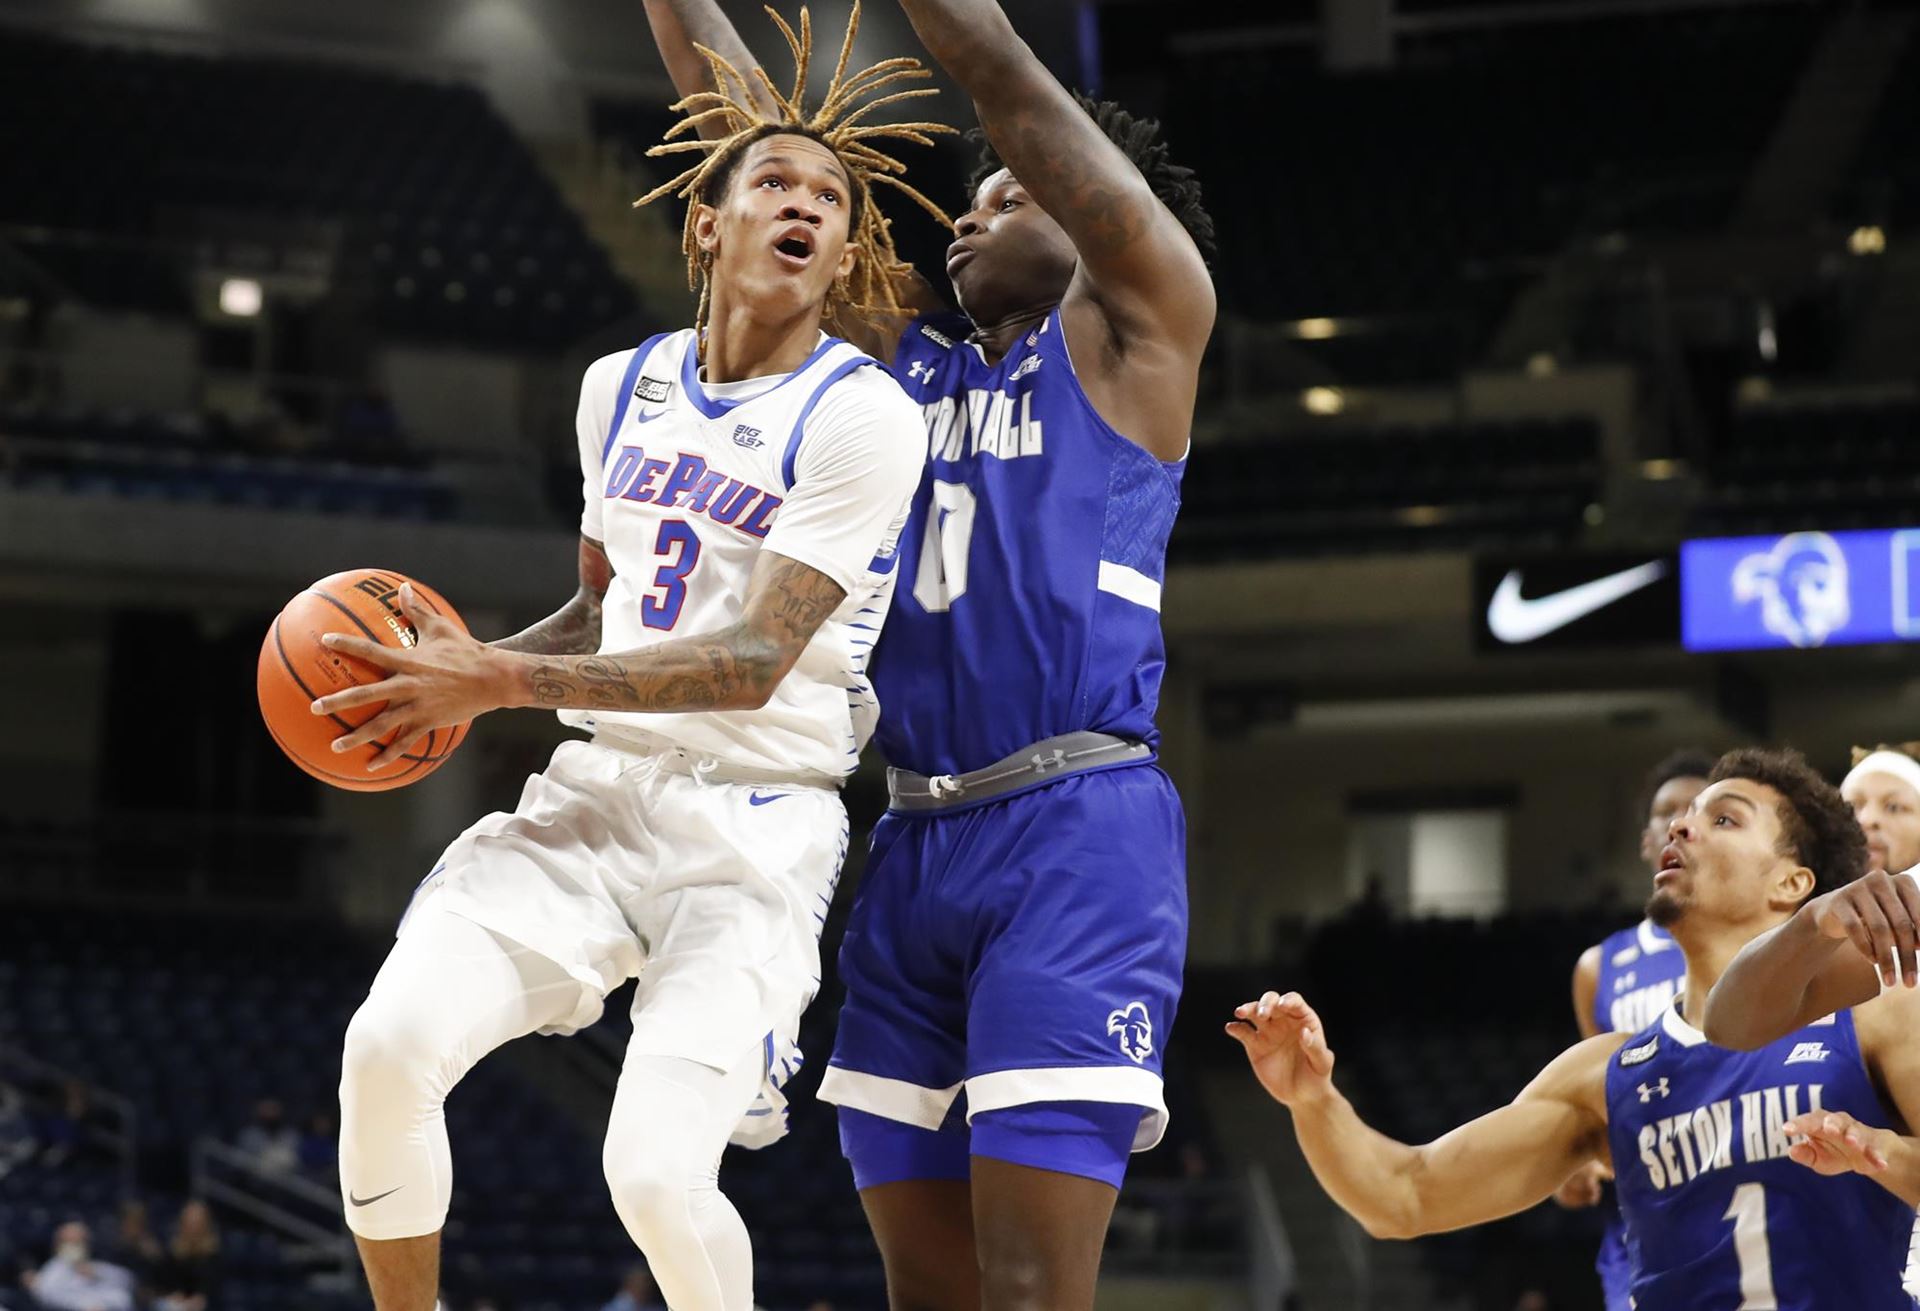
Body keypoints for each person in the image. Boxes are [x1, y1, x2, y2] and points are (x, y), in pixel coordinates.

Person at [312, 11, 939, 1309]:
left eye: (831, 195)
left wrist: (503, 684)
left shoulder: (862, 414)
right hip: (599, 793)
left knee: (652, 1171)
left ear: (840, 252)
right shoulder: (620, 385)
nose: (806, 203)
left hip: (757, 829)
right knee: (385, 1046)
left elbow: (758, 657)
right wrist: (471, 658)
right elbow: (601, 612)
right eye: (772, 179)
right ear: (705, 222)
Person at [639, 0, 1214, 1303]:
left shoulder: (1139, 337)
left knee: (1026, 1288)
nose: (968, 211)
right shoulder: (895, 377)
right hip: (909, 837)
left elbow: (1003, 74)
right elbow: (749, 144)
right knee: (927, 1291)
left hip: (1074, 833)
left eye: (1011, 194)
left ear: (1087, 207)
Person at [1233, 748, 1920, 1309]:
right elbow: (1404, 1195)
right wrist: (1312, 1099)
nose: (1682, 827)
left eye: (1725, 820)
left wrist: (1879, 1151)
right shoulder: (1607, 1072)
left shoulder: (1876, 1017)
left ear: (1792, 884)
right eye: (1683, 816)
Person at [1557, 748, 1713, 1310]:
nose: (1681, 822)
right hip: (1639, 1229)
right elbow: (1598, 1099)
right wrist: (1574, 1163)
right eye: (1666, 811)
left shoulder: (1764, 952)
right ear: (1648, 842)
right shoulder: (1598, 966)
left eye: (1703, 810)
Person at [26, 1222, 136, 1311]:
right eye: (69, 1242)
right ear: (58, 1245)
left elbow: (127, 1283)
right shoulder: (54, 1268)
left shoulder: (97, 1266)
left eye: (79, 1241)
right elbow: (47, 1295)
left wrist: (97, 1273)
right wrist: (84, 1306)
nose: (74, 1246)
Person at [152, 1200, 221, 1311]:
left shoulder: (213, 1254)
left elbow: (211, 1288)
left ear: (205, 1224)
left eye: (197, 1223)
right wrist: (172, 1295)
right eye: (190, 1222)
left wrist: (198, 1298)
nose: (193, 1227)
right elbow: (162, 1283)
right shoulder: (172, 1251)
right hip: (173, 1302)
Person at [236, 1098, 299, 1174]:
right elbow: (242, 1160)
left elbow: (294, 1162)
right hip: (255, 1178)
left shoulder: (290, 1134)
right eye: (266, 1110)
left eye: (273, 1109)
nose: (270, 1114)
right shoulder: (249, 1134)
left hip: (284, 1178)